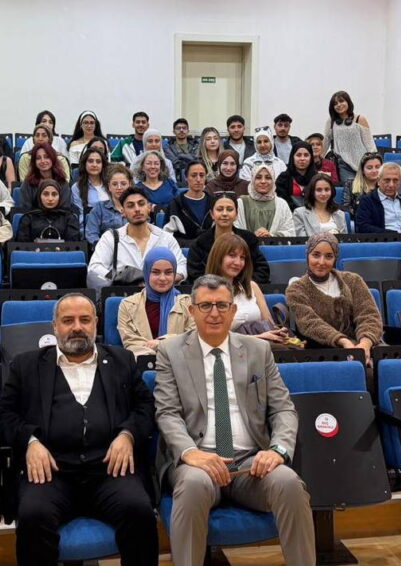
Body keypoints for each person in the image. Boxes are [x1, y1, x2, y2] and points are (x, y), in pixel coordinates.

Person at [153, 274, 315, 566]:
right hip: (199, 461)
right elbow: (167, 413)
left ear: (233, 310)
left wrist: (277, 450)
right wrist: (190, 453)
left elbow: (283, 409)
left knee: (289, 483)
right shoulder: (171, 351)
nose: (214, 313)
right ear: (192, 311)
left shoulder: (258, 350)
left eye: (222, 305)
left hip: (250, 462)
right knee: (192, 486)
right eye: (205, 306)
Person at [0, 294, 159, 566]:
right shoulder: (26, 365)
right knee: (33, 515)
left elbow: (145, 407)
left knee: (139, 511)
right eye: (68, 320)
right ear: (54, 326)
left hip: (110, 469)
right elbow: (3, 414)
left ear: (96, 323)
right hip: (50, 472)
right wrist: (30, 442)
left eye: (85, 320)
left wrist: (127, 434)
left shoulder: (122, 360)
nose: (77, 327)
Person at [285, 233, 382, 360]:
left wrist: (365, 344)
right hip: (324, 354)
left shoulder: (353, 280)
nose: (321, 262)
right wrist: (344, 342)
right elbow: (310, 323)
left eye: (329, 256)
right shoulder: (296, 289)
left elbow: (369, 315)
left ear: (335, 258)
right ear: (307, 255)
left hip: (363, 347)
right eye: (316, 255)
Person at [87, 187, 186, 289]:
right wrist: (121, 278)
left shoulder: (165, 237)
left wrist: (157, 280)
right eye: (131, 206)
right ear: (123, 212)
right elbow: (94, 268)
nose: (137, 209)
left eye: (141, 204)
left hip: (160, 293)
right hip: (123, 293)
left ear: (149, 207)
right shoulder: (111, 238)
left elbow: (182, 267)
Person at [205, 234, 291, 344]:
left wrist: (279, 333)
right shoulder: (205, 292)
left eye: (242, 257)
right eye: (232, 255)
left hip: (261, 347)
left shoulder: (251, 286)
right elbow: (211, 338)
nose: (238, 262)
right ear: (218, 257)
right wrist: (258, 338)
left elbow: (269, 324)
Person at [118, 249, 195, 357]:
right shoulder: (127, 305)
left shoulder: (188, 303)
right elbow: (130, 343)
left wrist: (161, 343)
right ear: (146, 272)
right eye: (156, 272)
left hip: (179, 363)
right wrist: (163, 351)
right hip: (142, 362)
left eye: (168, 272)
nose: (162, 278)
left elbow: (193, 338)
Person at [185, 192, 270, 285]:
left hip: (243, 289)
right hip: (211, 290)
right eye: (219, 209)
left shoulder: (249, 239)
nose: (224, 213)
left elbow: (262, 270)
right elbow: (195, 275)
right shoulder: (199, 243)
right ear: (212, 214)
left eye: (229, 209)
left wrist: (240, 287)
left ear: (236, 214)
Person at [354, 162, 401, 238]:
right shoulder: (367, 201)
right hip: (385, 242)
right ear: (378, 181)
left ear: (400, 182)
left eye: (395, 180)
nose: (391, 185)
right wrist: (398, 235)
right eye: (387, 180)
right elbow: (362, 227)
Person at [322, 91, 376, 185]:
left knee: (365, 189)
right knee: (350, 189)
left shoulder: (360, 119)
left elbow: (369, 143)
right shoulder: (331, 121)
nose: (339, 105)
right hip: (343, 164)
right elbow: (326, 141)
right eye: (335, 104)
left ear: (348, 102)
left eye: (341, 101)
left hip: (363, 163)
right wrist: (318, 158)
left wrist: (374, 161)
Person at [17, 143, 82, 217]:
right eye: (38, 158)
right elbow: (26, 210)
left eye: (46, 157)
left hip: (59, 221)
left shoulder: (62, 182)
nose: (43, 161)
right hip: (34, 221)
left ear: (53, 158)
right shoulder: (28, 183)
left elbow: (64, 209)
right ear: (34, 162)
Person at [236, 164, 296, 238]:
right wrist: (252, 237)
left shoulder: (282, 204)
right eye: (258, 177)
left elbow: (290, 232)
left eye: (268, 178)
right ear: (252, 180)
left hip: (275, 245)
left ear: (273, 181)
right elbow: (234, 231)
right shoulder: (241, 203)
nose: (263, 181)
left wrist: (271, 236)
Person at [163, 161, 215, 241]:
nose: (198, 179)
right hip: (184, 247)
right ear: (186, 178)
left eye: (202, 175)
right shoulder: (176, 205)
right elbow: (168, 236)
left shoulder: (213, 202)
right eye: (194, 175)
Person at [15, 180, 82, 242]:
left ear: (60, 197)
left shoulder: (69, 218)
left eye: (54, 194)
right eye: (46, 194)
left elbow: (73, 244)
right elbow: (22, 244)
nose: (50, 199)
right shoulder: (28, 218)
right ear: (39, 196)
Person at [85, 163, 130, 244]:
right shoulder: (99, 208)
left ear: (129, 185)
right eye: (115, 184)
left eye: (123, 184)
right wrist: (105, 248)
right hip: (106, 249)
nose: (119, 187)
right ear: (109, 187)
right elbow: (91, 235)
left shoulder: (137, 208)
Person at [274, 141, 318, 210]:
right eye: (298, 155)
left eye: (306, 155)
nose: (302, 159)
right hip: (290, 213)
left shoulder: (317, 178)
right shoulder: (283, 178)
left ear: (311, 158)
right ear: (292, 157)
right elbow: (282, 202)